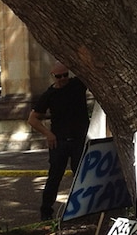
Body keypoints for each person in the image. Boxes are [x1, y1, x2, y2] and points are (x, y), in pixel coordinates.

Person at [27, 61, 89, 220]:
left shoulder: (77, 84)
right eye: (59, 76)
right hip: (59, 141)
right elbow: (32, 119)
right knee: (54, 177)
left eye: (65, 75)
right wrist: (48, 134)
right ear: (53, 76)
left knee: (81, 177)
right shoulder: (49, 95)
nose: (62, 79)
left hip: (78, 140)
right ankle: (46, 212)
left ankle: (83, 210)